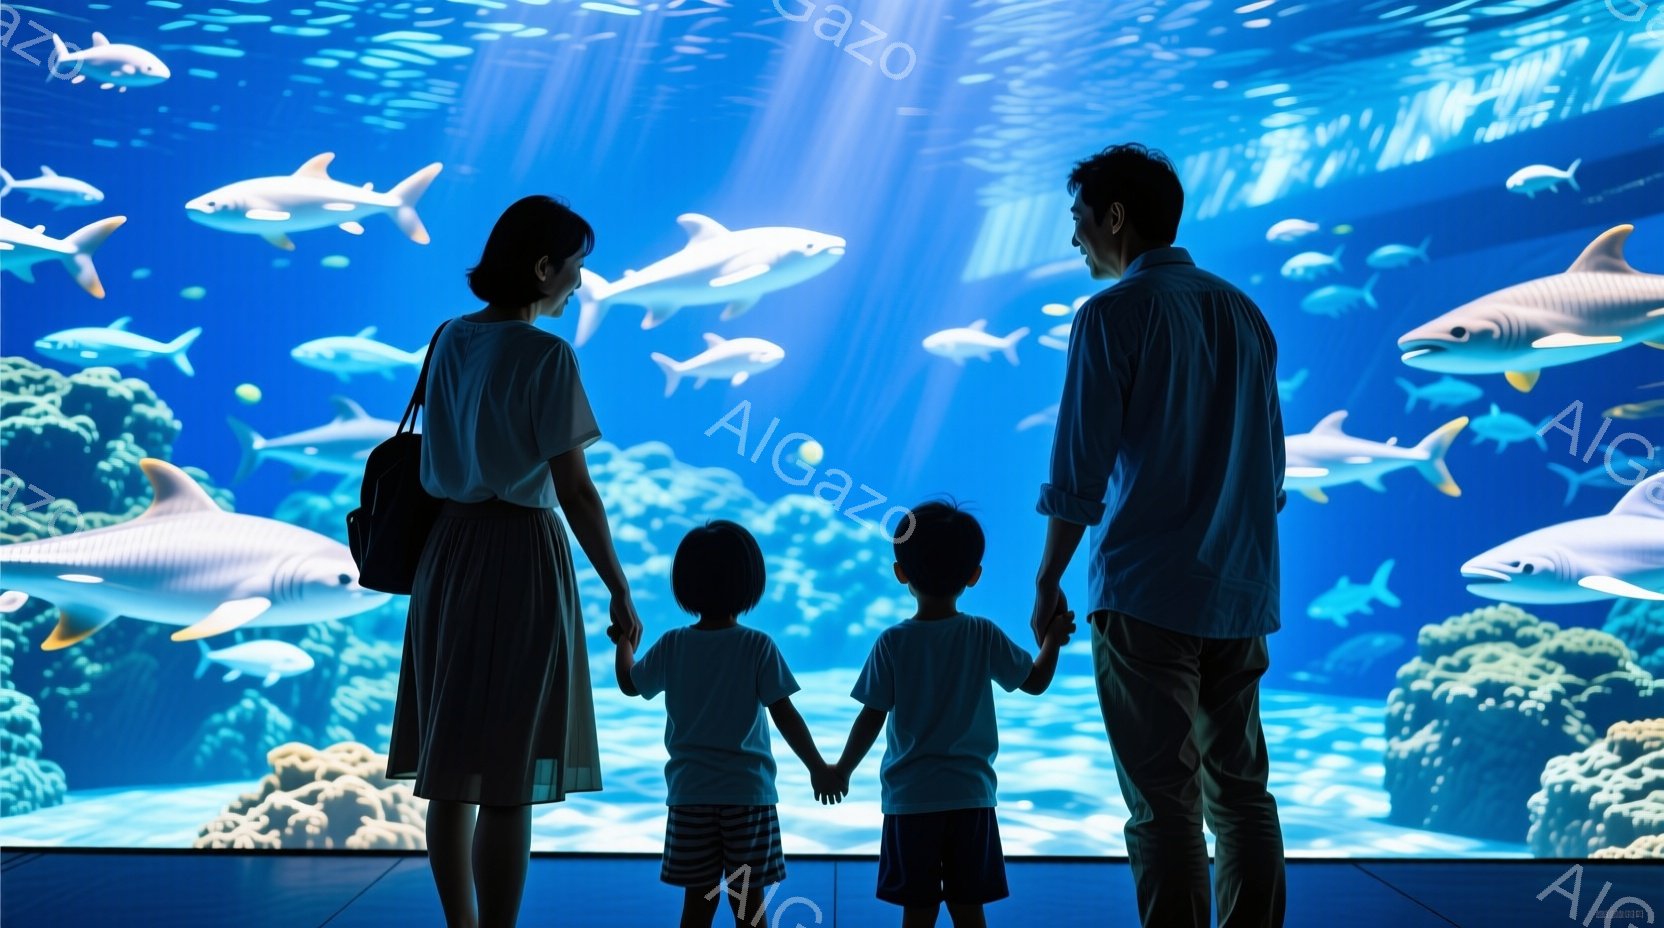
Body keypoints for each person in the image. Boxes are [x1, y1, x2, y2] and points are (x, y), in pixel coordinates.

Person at [1029, 143, 1288, 928]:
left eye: (1078, 220)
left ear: (1114, 217)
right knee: (1241, 794)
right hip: (1240, 592)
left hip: (1146, 594)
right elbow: (1271, 476)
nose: (1074, 240)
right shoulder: (1244, 312)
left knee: (1161, 800)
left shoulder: (1111, 314)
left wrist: (1048, 581)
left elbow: (1080, 469)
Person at [387, 194, 644, 928]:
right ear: (543, 267)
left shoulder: (449, 337)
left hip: (447, 554)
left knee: (451, 774)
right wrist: (618, 588)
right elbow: (576, 491)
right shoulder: (547, 354)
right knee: (507, 776)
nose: (579, 282)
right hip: (518, 557)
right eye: (576, 267)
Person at [835, 500, 1076, 928]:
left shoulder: (893, 642)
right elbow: (1035, 683)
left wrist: (841, 769)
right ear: (973, 575)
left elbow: (870, 717)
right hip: (971, 798)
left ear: (901, 572)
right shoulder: (980, 633)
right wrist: (1052, 639)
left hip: (910, 802)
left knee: (918, 912)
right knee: (970, 912)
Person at [613, 520, 846, 928]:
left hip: (690, 798)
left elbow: (630, 685)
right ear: (749, 584)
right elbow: (785, 714)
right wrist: (818, 767)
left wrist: (624, 644)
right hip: (747, 798)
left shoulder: (672, 644)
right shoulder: (756, 645)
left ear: (684, 584)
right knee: (749, 907)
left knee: (697, 907)